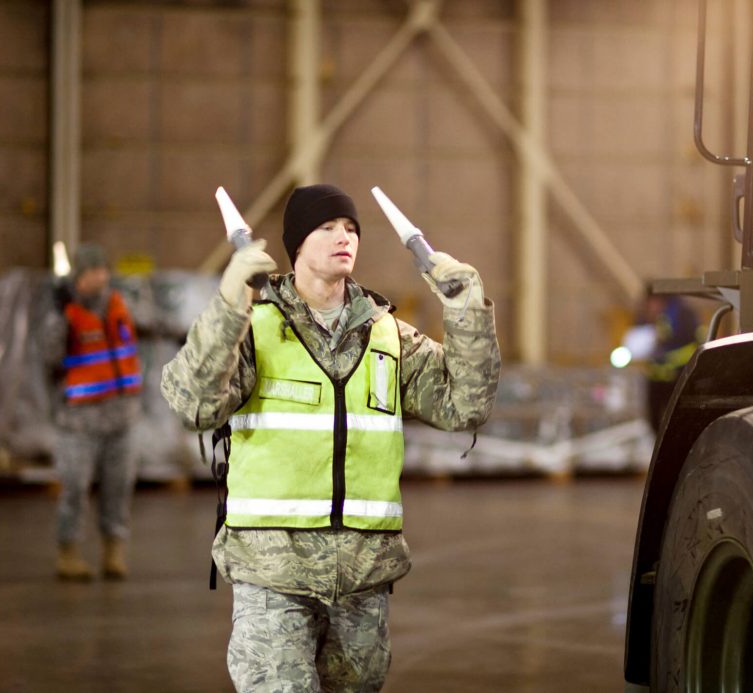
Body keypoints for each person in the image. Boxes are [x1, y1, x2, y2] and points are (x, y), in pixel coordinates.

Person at [160, 184, 500, 692]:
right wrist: (230, 304)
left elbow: (466, 405)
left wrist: (468, 310)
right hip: (273, 571)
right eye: (327, 227)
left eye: (351, 228)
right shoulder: (254, 329)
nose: (344, 236)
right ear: (297, 243)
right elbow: (193, 403)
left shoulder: (387, 335)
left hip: (363, 579)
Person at [43, 242, 143, 580]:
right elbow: (49, 358)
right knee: (73, 488)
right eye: (90, 272)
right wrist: (58, 316)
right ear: (78, 277)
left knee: (118, 488)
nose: (98, 277)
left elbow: (153, 324)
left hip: (121, 418)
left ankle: (114, 551)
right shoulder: (64, 311)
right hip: (78, 422)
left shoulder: (120, 305)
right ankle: (67, 552)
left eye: (101, 270)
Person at [642, 293, 698, 433]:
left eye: (651, 303)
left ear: (658, 300)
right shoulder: (660, 317)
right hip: (658, 379)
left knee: (676, 422)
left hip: (676, 378)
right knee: (656, 421)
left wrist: (663, 354)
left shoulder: (682, 315)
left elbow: (688, 345)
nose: (649, 308)